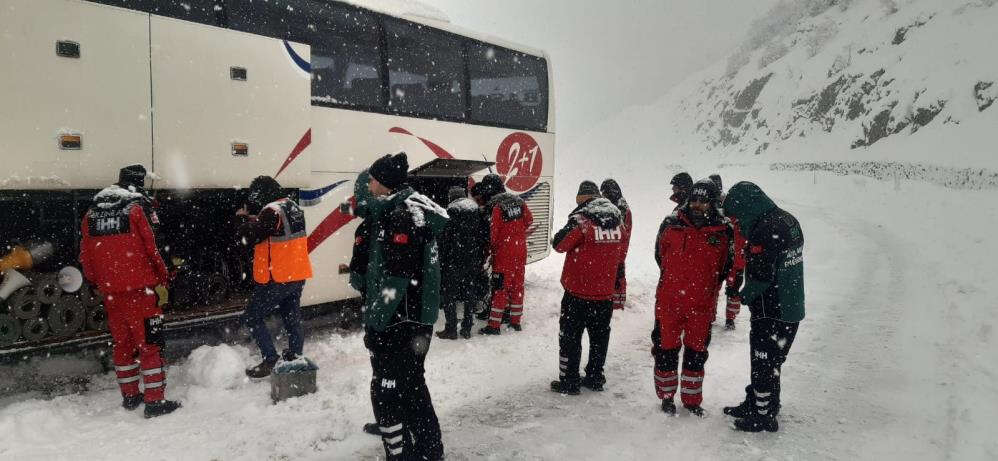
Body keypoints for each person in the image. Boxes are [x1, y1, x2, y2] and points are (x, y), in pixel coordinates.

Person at [354, 152, 447, 460]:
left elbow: (397, 278)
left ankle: (404, 453)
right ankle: (429, 449)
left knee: (389, 390)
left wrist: (376, 320)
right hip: (414, 318)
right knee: (412, 386)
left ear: (384, 183)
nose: (369, 185)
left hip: (400, 321)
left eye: (372, 180)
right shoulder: (408, 208)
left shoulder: (401, 216)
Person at [79, 164, 181, 418]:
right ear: (140, 183)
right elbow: (153, 247)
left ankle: (131, 396)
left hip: (111, 292)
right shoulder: (137, 209)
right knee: (150, 344)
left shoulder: (92, 213)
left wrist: (97, 281)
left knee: (122, 344)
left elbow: (86, 254)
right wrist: (165, 275)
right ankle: (155, 402)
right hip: (140, 291)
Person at [721, 182, 805, 433]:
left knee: (763, 360)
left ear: (745, 207)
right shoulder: (786, 219)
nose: (737, 223)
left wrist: (742, 296)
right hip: (791, 305)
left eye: (737, 216)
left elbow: (761, 276)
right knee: (773, 360)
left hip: (772, 308)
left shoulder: (765, 229)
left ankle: (762, 415)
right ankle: (764, 404)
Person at [652, 179, 733, 417]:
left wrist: (706, 286)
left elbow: (725, 266)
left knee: (696, 354)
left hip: (701, 305)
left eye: (703, 201)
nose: (697, 205)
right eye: (694, 200)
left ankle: (691, 400)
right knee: (665, 350)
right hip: (669, 301)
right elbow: (659, 255)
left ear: (713, 203)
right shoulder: (671, 223)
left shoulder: (723, 230)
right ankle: (666, 396)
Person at [549, 181, 626, 394]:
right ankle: (595, 377)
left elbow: (559, 244)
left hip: (577, 293)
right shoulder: (618, 222)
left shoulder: (582, 221)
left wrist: (573, 219)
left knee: (570, 338)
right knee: (599, 338)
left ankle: (569, 380)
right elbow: (621, 253)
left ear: (582, 200)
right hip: (604, 295)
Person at [236, 176, 313, 378]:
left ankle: (270, 359)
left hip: (278, 277)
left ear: (262, 193)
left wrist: (244, 219)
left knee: (252, 317)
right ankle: (295, 356)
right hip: (296, 274)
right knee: (292, 318)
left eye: (255, 195)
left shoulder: (272, 211)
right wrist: (256, 219)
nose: (254, 199)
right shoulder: (293, 207)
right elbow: (271, 230)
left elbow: (251, 236)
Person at [477, 174, 533, 335]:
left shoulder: (497, 207)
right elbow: (529, 220)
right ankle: (515, 322)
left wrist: (491, 249)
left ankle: (494, 325)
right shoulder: (519, 202)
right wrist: (516, 232)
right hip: (520, 251)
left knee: (500, 288)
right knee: (517, 286)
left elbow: (493, 235)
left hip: (504, 254)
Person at [437, 186, 489, 340]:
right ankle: (467, 328)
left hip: (453, 261)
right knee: (469, 294)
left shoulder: (450, 212)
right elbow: (484, 235)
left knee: (449, 295)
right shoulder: (476, 211)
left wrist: (441, 259)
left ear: (451, 198)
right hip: (472, 260)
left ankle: (451, 329)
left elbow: (444, 240)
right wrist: (479, 257)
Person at [711, 173, 746, 330]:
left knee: (722, 289)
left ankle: (724, 318)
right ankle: (726, 318)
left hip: (728, 256)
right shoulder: (722, 205)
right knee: (726, 289)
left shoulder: (724, 206)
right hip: (729, 256)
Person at [600, 179, 632, 310]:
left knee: (617, 272)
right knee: (615, 272)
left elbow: (619, 232)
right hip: (617, 248)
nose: (603, 197)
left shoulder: (621, 209)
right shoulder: (617, 206)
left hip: (618, 248)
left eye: (605, 193)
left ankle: (617, 305)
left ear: (611, 192)